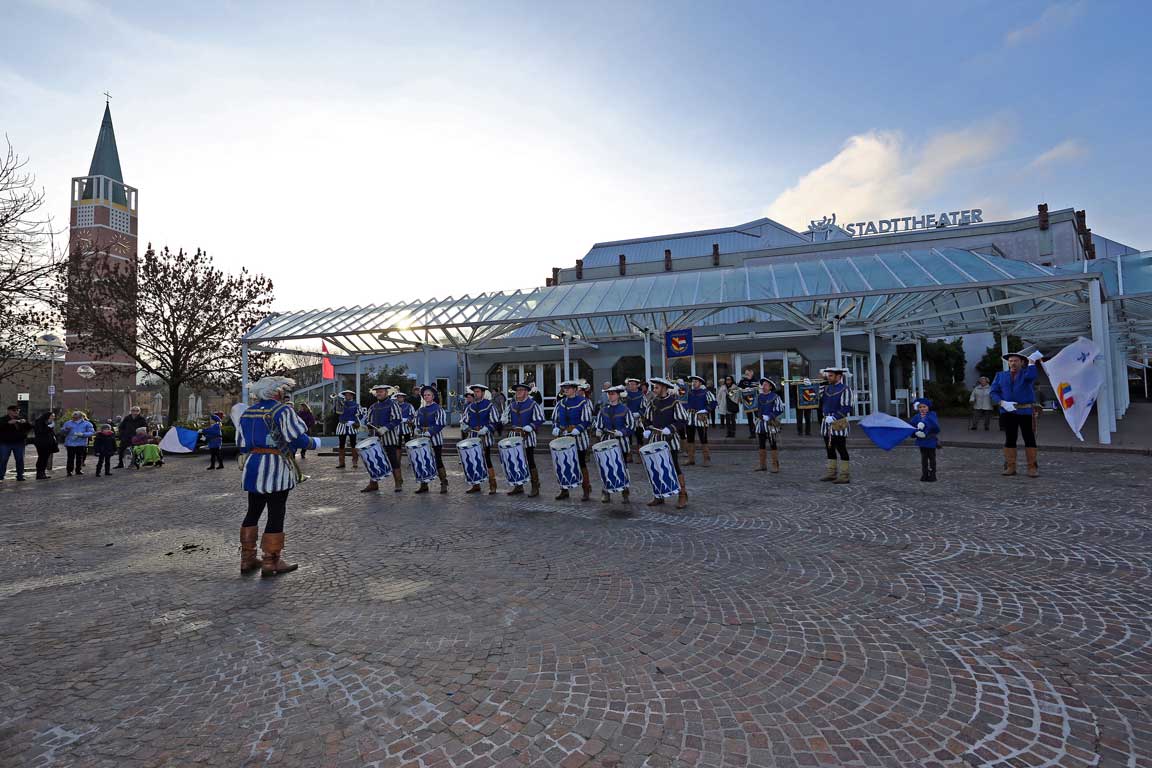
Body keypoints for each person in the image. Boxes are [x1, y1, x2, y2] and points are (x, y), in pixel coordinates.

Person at [237, 376, 321, 577]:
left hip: (254, 466)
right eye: (282, 390)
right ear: (276, 392)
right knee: (276, 511)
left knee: (253, 510)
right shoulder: (282, 410)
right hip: (276, 465)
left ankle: (247, 559)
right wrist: (315, 443)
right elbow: (297, 437)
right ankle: (271, 561)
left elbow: (242, 443)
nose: (283, 393)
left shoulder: (247, 412)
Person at [991, 350, 1043, 478]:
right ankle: (1010, 466)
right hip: (1008, 411)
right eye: (1010, 361)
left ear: (1021, 362)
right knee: (1010, 438)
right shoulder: (1000, 375)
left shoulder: (1026, 374)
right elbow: (993, 392)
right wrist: (1002, 403)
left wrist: (1031, 362)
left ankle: (1032, 467)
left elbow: (1032, 377)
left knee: (1029, 438)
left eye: (1015, 361)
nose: (1013, 363)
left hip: (1025, 411)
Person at [640, 377, 689, 509]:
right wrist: (648, 430)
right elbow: (647, 419)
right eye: (654, 386)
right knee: (655, 467)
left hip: (670, 440)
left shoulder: (675, 403)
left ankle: (682, 494)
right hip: (655, 439)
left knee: (674, 466)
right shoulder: (653, 402)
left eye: (657, 387)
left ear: (664, 388)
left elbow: (683, 420)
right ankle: (659, 495)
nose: (654, 389)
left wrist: (671, 428)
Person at [551, 379, 595, 501]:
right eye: (564, 388)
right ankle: (564, 489)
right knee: (563, 462)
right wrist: (555, 427)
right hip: (564, 437)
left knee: (581, 463)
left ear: (575, 389)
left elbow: (587, 420)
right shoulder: (560, 403)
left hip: (579, 437)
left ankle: (586, 489)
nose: (566, 390)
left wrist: (579, 428)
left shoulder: (583, 402)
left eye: (568, 388)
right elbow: (555, 419)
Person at [502, 382, 546, 497]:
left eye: (521, 390)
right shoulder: (512, 405)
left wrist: (531, 426)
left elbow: (540, 419)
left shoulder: (532, 404)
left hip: (528, 436)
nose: (518, 392)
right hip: (514, 435)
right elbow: (506, 418)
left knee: (530, 460)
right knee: (515, 460)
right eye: (517, 391)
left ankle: (535, 486)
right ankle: (518, 485)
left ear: (526, 392)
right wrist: (505, 420)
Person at [593, 384, 635, 503]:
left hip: (621, 443)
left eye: (613, 394)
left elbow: (631, 426)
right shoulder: (603, 410)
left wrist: (622, 432)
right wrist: (598, 429)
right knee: (605, 467)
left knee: (622, 467)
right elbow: (599, 425)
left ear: (618, 395)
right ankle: (606, 491)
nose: (610, 396)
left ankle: (625, 492)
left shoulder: (625, 410)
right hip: (606, 442)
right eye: (609, 394)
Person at [362, 384, 403, 493]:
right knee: (373, 460)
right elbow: (367, 420)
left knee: (393, 459)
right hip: (375, 437)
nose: (379, 393)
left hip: (389, 437)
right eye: (377, 392)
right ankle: (373, 484)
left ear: (386, 393)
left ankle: (398, 482)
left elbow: (397, 419)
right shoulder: (373, 406)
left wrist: (385, 428)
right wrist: (368, 425)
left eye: (381, 392)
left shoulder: (393, 404)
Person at [461, 383, 499, 494]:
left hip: (485, 437)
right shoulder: (470, 406)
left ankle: (493, 485)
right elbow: (465, 420)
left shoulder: (489, 405)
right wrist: (464, 426)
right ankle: (475, 484)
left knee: (487, 460)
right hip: (472, 437)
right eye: (474, 392)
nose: (476, 394)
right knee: (472, 460)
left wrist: (487, 428)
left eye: (478, 392)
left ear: (482, 393)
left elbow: (495, 421)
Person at [819, 368, 853, 484]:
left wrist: (834, 417)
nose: (828, 377)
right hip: (826, 422)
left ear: (839, 377)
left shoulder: (845, 389)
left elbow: (847, 407)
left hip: (838, 423)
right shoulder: (827, 388)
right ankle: (831, 473)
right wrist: (812, 386)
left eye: (831, 376)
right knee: (829, 448)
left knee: (841, 448)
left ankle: (844, 475)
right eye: (828, 375)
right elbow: (818, 400)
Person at [414, 384, 449, 494]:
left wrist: (431, 432)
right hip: (422, 439)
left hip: (435, 439)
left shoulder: (438, 409)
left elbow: (441, 424)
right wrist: (417, 429)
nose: (426, 397)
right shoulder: (421, 410)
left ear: (433, 396)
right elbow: (417, 423)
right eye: (425, 395)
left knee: (438, 460)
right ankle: (424, 484)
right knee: (423, 460)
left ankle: (443, 483)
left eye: (429, 395)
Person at [752, 378, 784, 473]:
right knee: (761, 444)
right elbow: (753, 406)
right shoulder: (759, 396)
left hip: (770, 424)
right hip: (761, 423)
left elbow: (780, 409)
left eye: (766, 384)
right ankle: (762, 465)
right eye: (763, 384)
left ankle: (775, 465)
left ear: (770, 387)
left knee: (772, 444)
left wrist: (770, 416)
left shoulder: (775, 396)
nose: (764, 386)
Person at [683, 375, 716, 466]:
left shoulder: (706, 392)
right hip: (690, 418)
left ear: (700, 383)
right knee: (690, 439)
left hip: (701, 418)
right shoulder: (689, 392)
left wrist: (706, 410)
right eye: (693, 382)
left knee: (703, 439)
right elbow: (683, 402)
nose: (694, 383)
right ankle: (691, 459)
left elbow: (713, 403)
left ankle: (706, 459)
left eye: (696, 382)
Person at [910, 397, 941, 481]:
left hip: (930, 440)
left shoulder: (932, 415)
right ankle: (924, 474)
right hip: (922, 441)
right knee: (924, 458)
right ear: (918, 408)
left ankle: (932, 474)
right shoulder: (916, 417)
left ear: (928, 407)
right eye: (920, 407)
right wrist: (915, 432)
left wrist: (924, 424)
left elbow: (936, 427)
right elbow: (912, 426)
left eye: (924, 407)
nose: (922, 409)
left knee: (931, 458)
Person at [0, 405, 32, 482]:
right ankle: (0, 476)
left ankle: (20, 476)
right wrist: (8, 423)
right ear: (9, 411)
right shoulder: (3, 419)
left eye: (18, 410)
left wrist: (26, 422)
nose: (16, 412)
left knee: (20, 459)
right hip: (5, 443)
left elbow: (30, 427)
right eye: (14, 410)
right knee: (3, 459)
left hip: (19, 443)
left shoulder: (21, 419)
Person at [60, 410, 95, 476]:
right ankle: (69, 471)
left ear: (80, 417)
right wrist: (65, 429)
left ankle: (78, 470)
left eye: (75, 417)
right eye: (73, 417)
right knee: (70, 458)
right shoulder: (68, 423)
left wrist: (82, 434)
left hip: (81, 443)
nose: (73, 418)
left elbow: (91, 432)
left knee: (79, 457)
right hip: (70, 443)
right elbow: (62, 431)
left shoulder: (87, 423)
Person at [334, 389, 361, 469]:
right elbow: (337, 412)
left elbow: (360, 414)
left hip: (352, 425)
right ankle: (341, 462)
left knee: (353, 444)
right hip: (342, 425)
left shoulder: (356, 405)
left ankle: (355, 462)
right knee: (341, 444)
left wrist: (355, 421)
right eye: (346, 395)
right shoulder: (341, 403)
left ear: (352, 396)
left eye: (349, 395)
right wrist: (337, 402)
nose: (347, 396)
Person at [32, 410, 58, 480]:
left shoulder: (49, 422)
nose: (53, 418)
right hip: (41, 443)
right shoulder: (39, 422)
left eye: (54, 416)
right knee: (42, 458)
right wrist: (49, 427)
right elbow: (41, 431)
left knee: (45, 458)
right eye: (52, 416)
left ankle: (42, 473)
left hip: (48, 443)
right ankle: (39, 474)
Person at [736, 368, 757, 437]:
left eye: (748, 373)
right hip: (747, 402)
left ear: (752, 373)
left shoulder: (755, 380)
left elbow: (759, 390)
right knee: (750, 418)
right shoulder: (743, 381)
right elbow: (738, 389)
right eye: (746, 374)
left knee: (758, 417)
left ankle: (760, 431)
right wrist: (739, 398)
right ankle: (752, 433)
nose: (747, 375)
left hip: (755, 402)